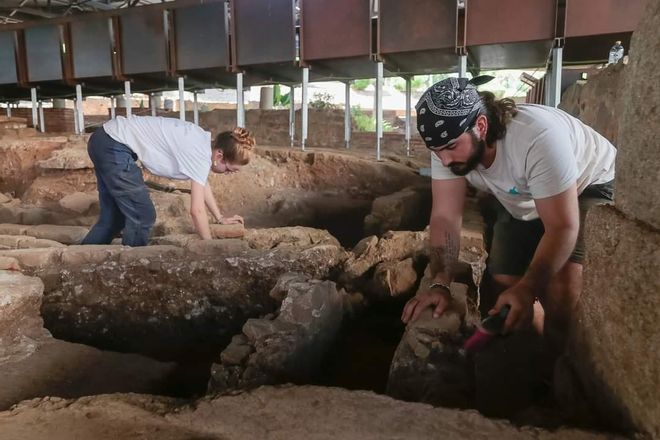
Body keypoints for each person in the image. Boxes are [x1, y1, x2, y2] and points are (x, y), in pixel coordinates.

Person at [401, 77, 616, 350]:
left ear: (481, 125)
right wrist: (440, 283)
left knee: (562, 286)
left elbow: (562, 227)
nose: (444, 160)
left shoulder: (537, 139)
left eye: (451, 148)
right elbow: (445, 216)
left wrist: (530, 287)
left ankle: (562, 363)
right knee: (504, 280)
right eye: (436, 151)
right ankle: (532, 345)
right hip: (523, 194)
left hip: (590, 183)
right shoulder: (447, 143)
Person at [81, 116, 255, 246]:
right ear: (219, 156)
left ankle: (80, 262)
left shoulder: (202, 143)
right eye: (230, 170)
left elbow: (202, 183)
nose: (228, 174)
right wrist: (209, 245)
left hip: (104, 139)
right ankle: (133, 269)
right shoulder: (199, 154)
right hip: (114, 145)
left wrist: (219, 218)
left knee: (114, 218)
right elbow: (197, 211)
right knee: (143, 215)